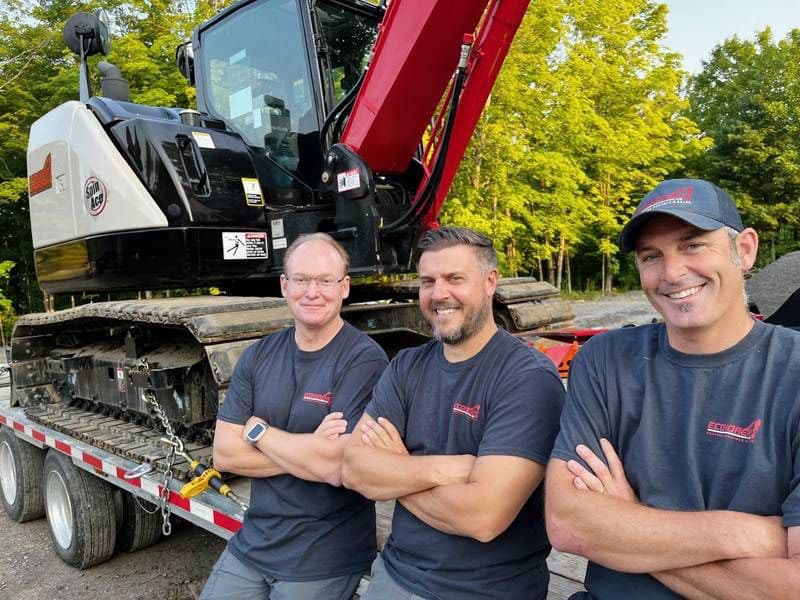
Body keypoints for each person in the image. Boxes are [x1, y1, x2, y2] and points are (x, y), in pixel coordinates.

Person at [545, 178, 800, 599]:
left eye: (693, 245)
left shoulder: (790, 371)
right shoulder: (606, 360)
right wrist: (742, 533)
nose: (672, 272)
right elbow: (568, 523)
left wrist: (627, 520)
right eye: (651, 256)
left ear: (746, 249)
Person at [342, 226, 565, 600]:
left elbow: (482, 518)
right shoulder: (405, 367)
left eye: (454, 279)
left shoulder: (527, 379)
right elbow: (353, 469)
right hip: (395, 577)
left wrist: (397, 469)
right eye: (428, 281)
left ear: (490, 281)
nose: (439, 294)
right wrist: (441, 469)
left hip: (485, 590)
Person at [201, 233, 389, 600]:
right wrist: (310, 451)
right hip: (255, 541)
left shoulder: (364, 360)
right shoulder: (259, 356)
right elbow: (224, 455)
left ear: (345, 287)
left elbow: (338, 466)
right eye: (301, 279)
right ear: (285, 286)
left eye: (324, 280)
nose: (312, 291)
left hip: (325, 552)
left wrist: (261, 434)